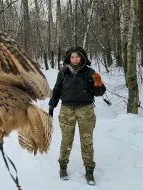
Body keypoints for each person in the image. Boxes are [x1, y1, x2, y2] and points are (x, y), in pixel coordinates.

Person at [48, 46, 106, 185]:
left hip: (85, 110)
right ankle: (63, 167)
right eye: (72, 57)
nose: (75, 59)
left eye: (77, 56)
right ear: (69, 58)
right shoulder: (62, 73)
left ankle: (89, 171)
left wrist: (98, 83)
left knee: (87, 141)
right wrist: (52, 105)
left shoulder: (89, 72)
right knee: (66, 140)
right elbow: (56, 89)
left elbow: (98, 93)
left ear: (82, 57)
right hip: (67, 110)